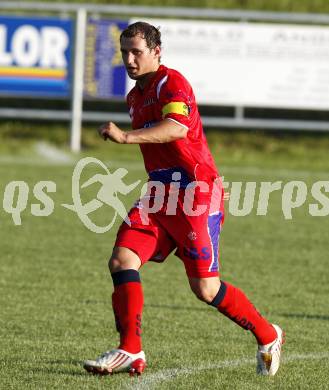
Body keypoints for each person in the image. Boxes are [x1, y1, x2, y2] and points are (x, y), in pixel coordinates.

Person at [83, 21, 284, 377]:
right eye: (124, 52)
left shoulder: (171, 83)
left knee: (206, 289)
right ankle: (130, 349)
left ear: (156, 53)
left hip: (196, 193)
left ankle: (268, 335)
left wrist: (127, 138)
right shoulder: (134, 96)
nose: (129, 59)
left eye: (137, 52)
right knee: (121, 260)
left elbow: (177, 127)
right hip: (160, 193)